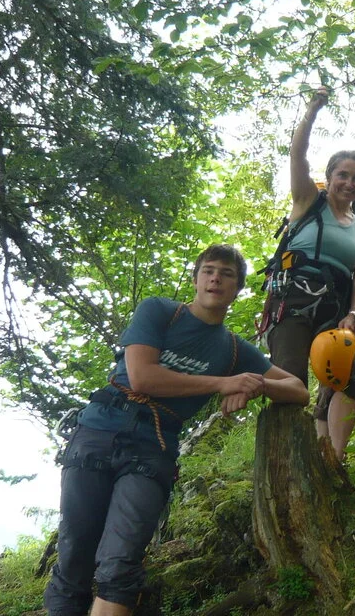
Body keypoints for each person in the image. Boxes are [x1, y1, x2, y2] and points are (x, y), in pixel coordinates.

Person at [44, 245, 308, 616]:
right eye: (208, 270)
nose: (216, 277)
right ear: (197, 278)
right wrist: (221, 384)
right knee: (74, 556)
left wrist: (252, 383)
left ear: (238, 288)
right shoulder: (159, 311)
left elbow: (299, 390)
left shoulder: (234, 349)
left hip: (153, 447)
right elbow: (143, 376)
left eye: (227, 273)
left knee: (121, 561)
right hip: (98, 432)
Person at [263, 87, 355, 462]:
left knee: (347, 380)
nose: (350, 183)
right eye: (343, 175)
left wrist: (354, 315)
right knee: (288, 378)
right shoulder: (308, 202)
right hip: (292, 299)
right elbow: (297, 154)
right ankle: (287, 462)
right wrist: (312, 111)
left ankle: (333, 459)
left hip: (336, 308)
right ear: (329, 177)